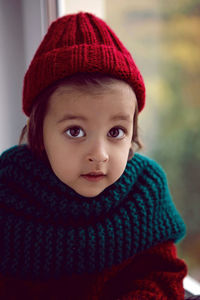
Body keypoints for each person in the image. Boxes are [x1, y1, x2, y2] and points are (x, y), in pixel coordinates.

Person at [0, 11, 187, 300]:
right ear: (38, 133)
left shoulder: (145, 188)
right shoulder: (10, 188)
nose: (99, 155)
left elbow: (160, 271)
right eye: (75, 131)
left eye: (116, 132)